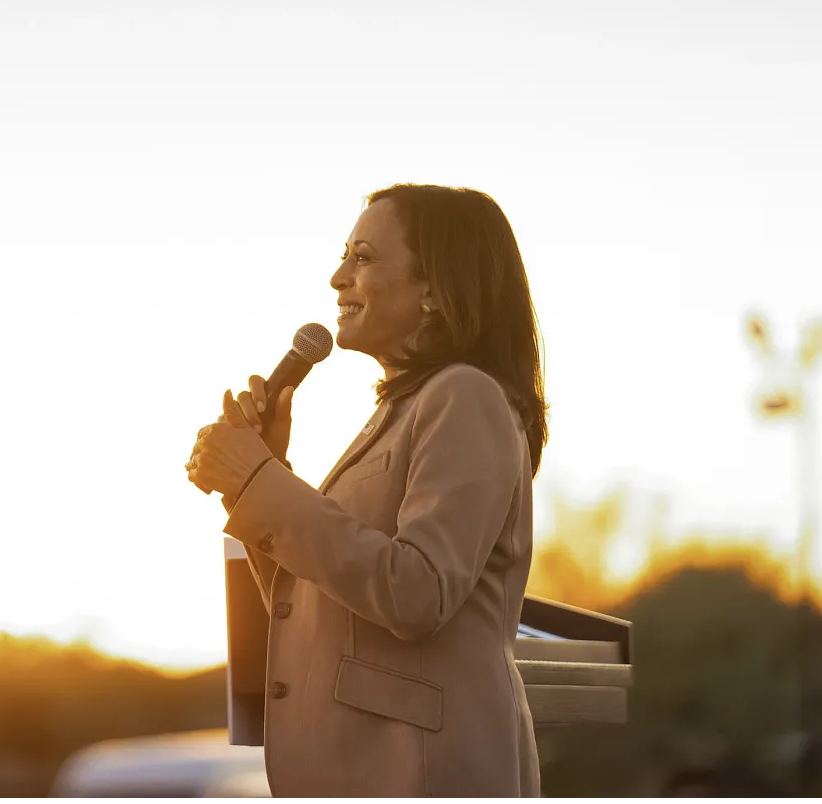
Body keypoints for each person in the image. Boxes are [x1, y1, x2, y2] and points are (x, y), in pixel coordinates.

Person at [185, 183, 549, 797]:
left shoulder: (465, 396)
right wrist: (267, 473)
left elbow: (417, 592)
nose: (336, 278)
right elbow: (317, 600)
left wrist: (259, 480)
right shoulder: (401, 413)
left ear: (435, 286)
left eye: (363, 257)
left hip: (420, 774)